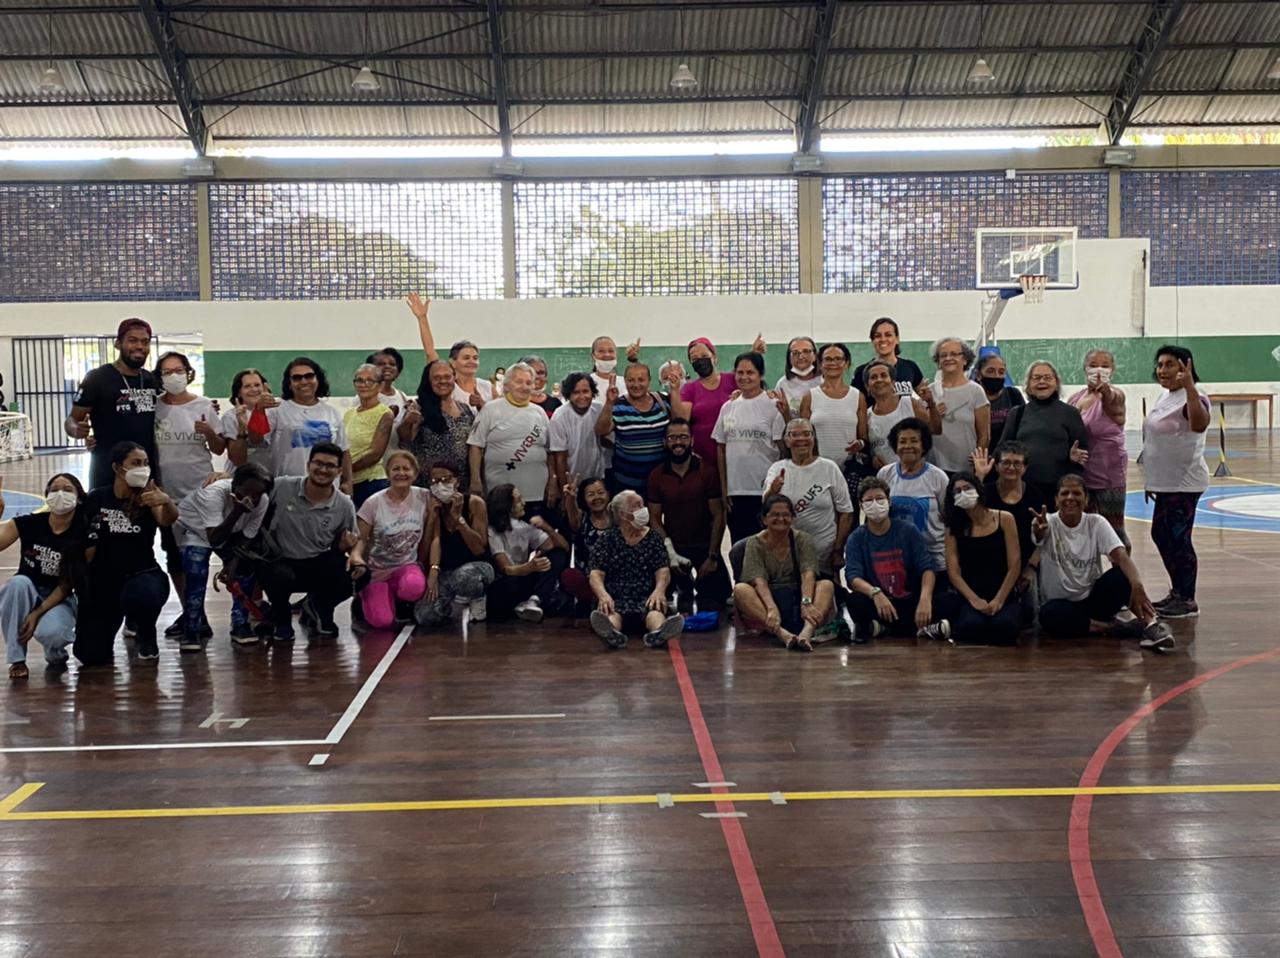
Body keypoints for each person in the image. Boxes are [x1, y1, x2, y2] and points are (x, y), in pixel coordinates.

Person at [1034, 475, 1174, 651]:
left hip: (1094, 601)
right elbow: (1038, 536)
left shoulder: (1096, 522)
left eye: (1076, 493)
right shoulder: (1047, 523)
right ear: (1056, 500)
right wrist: (1038, 532)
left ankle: (1151, 625)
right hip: (1062, 604)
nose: (1070, 498)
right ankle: (1116, 628)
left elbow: (1122, 556)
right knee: (1048, 616)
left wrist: (1137, 586)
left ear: (1086, 500)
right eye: (1065, 493)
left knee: (1124, 575)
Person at [74, 441, 176, 665]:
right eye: (136, 463)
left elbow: (167, 518)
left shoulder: (150, 496)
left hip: (142, 575)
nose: (143, 468)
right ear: (118, 468)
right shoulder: (97, 498)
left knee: (140, 596)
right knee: (89, 654)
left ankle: (145, 632)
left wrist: (167, 502)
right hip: (104, 583)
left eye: (146, 463)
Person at [153, 350, 226, 639]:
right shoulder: (155, 408)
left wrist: (209, 431)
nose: (174, 376)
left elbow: (220, 448)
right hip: (166, 496)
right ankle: (191, 613)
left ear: (188, 372)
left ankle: (244, 612)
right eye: (167, 371)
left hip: (200, 493)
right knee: (175, 556)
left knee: (202, 553)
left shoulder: (205, 405)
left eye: (178, 370)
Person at [256, 442, 359, 644]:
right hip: (282, 561)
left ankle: (319, 606)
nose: (323, 469)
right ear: (308, 465)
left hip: (317, 562)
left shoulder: (344, 503)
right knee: (272, 572)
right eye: (318, 463)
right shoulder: (282, 486)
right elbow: (253, 484)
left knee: (358, 574)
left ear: (339, 471)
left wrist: (354, 554)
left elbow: (355, 539)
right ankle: (282, 620)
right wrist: (225, 479)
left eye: (330, 466)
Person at [1141, 344, 1211, 619]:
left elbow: (1199, 424)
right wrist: (1152, 481)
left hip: (1184, 482)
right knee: (1160, 534)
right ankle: (1177, 591)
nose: (1162, 370)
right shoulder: (1165, 398)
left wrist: (1191, 387)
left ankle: (1188, 599)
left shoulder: (1194, 396)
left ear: (1186, 366)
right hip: (1165, 483)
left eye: (1170, 364)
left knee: (1179, 540)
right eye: (1160, 365)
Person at [174, 462, 273, 650]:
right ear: (234, 486)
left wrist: (233, 563)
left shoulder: (263, 501)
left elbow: (247, 538)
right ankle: (192, 628)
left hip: (232, 533)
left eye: (257, 494)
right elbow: (214, 538)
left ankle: (240, 623)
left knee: (246, 565)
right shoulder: (213, 494)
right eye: (247, 492)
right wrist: (237, 511)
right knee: (195, 569)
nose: (251, 499)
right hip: (197, 530)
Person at [1, 473, 86, 679]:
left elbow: (68, 584)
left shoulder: (83, 531)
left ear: (79, 497)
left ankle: (55, 654)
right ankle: (17, 659)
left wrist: (37, 613)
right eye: (54, 489)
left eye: (67, 490)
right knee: (17, 583)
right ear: (46, 495)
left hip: (59, 595)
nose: (60, 494)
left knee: (52, 633)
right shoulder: (29, 523)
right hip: (28, 589)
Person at [731, 495, 837, 651]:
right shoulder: (754, 543)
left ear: (793, 518)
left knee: (826, 585)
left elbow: (808, 573)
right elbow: (759, 580)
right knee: (740, 590)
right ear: (764, 519)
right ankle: (782, 634)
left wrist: (806, 602)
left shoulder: (803, 539)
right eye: (774, 515)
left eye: (786, 515)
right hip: (768, 600)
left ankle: (807, 632)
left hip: (798, 597)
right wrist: (771, 608)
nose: (781, 519)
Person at [65, 318, 159, 490]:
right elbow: (71, 420)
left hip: (145, 469)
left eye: (145, 342)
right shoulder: (97, 378)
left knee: (146, 516)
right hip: (108, 471)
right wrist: (76, 430)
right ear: (117, 344)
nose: (139, 346)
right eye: (132, 340)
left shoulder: (151, 380)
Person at [843, 477, 940, 642]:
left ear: (889, 501)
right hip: (879, 602)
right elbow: (853, 577)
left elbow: (927, 567)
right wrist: (875, 593)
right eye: (869, 500)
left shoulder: (908, 530)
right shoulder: (856, 538)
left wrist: (925, 600)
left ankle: (883, 629)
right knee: (854, 601)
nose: (875, 503)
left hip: (910, 600)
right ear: (861, 506)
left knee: (950, 601)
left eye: (880, 498)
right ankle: (919, 629)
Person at [647, 418, 730, 610]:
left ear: (692, 440)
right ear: (665, 442)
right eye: (672, 438)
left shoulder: (707, 472)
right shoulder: (656, 475)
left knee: (719, 600)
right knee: (660, 601)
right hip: (674, 550)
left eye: (683, 437)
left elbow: (718, 516)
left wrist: (713, 556)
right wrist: (669, 553)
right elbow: (654, 519)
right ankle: (683, 586)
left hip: (704, 548)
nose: (678, 443)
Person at [587, 490, 686, 650]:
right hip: (616, 598)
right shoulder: (607, 539)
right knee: (611, 615)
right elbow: (595, 574)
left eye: (642, 504)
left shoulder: (653, 538)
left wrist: (659, 591)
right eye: (636, 506)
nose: (643, 509)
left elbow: (663, 570)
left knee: (655, 612)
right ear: (623, 514)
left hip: (646, 597)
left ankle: (659, 633)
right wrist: (603, 596)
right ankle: (611, 634)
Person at [347, 451, 430, 630]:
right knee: (382, 621)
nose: (401, 473)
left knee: (413, 586)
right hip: (377, 571)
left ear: (415, 474)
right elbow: (361, 538)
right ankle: (363, 598)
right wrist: (356, 556)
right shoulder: (373, 503)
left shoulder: (425, 497)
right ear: (387, 473)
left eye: (406, 469)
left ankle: (400, 602)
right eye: (396, 469)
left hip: (406, 566)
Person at [936, 473, 1021, 645]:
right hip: (971, 595)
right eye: (957, 491)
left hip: (1003, 593)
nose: (963, 493)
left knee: (1006, 629)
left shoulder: (1004, 519)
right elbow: (954, 573)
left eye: (967, 488)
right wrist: (974, 600)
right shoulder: (953, 527)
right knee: (970, 629)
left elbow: (1015, 564)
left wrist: (999, 599)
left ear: (978, 490)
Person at [762, 418, 854, 577]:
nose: (801, 439)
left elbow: (846, 512)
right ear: (787, 440)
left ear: (813, 438)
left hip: (824, 556)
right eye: (794, 435)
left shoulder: (829, 467)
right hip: (787, 554)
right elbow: (766, 505)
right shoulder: (777, 468)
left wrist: (838, 550)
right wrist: (773, 491)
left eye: (806, 434)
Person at [712, 351, 787, 545]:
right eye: (740, 372)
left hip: (764, 490)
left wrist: (778, 486)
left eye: (750, 372)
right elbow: (721, 448)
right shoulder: (728, 407)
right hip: (736, 491)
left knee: (767, 546)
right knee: (740, 547)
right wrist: (724, 489)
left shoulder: (772, 406)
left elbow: (782, 450)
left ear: (760, 375)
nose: (744, 377)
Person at [468, 362, 555, 514]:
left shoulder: (539, 413)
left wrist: (553, 482)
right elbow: (475, 446)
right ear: (507, 384)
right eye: (519, 381)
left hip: (536, 493)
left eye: (528, 382)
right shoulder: (490, 409)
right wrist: (475, 480)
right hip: (500, 494)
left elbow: (550, 453)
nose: (524, 386)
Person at [414, 460, 494, 625]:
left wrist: (459, 520)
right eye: (435, 481)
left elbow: (479, 549)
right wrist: (431, 519)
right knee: (424, 616)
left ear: (457, 481)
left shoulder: (474, 503)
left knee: (464, 578)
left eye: (446, 479)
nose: (440, 485)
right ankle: (450, 607)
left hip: (478, 566)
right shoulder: (432, 506)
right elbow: (424, 553)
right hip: (446, 571)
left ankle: (478, 597)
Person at [998, 360, 1088, 504]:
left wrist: (1073, 461)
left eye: (1047, 377)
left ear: (1056, 383)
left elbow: (1082, 451)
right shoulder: (1017, 413)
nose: (1042, 382)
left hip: (1058, 491)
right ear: (1028, 384)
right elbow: (1002, 449)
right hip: (1022, 489)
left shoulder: (1070, 413)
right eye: (1036, 378)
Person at [972, 441, 1045, 610]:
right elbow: (969, 516)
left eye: (1017, 463)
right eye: (1005, 462)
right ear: (996, 466)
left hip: (1025, 568)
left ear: (1025, 468)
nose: (1011, 467)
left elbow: (1045, 539)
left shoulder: (1035, 495)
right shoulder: (986, 493)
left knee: (1029, 616)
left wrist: (1031, 569)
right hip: (990, 567)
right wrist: (979, 477)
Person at [1068, 349, 1129, 548]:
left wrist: (1105, 390)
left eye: (1104, 365)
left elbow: (1112, 400)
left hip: (1109, 477)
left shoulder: (1115, 396)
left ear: (1113, 370)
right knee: (1084, 531)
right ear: (1085, 369)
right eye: (1093, 365)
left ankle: (1122, 575)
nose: (1098, 370)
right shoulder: (1076, 399)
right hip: (1083, 475)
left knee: (1115, 531)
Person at [670, 335, 765, 463]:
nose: (700, 361)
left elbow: (752, 388)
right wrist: (675, 390)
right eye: (695, 359)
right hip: (703, 455)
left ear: (714, 357)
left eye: (704, 356)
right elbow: (681, 420)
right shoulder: (690, 388)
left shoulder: (732, 379)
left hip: (736, 450)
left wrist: (754, 355)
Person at [267, 357, 353, 494]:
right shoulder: (276, 409)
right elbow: (257, 440)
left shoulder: (332, 413)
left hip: (327, 490)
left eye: (309, 376)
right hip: (287, 489)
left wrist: (348, 483)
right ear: (289, 383)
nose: (303, 381)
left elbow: (344, 452)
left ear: (318, 379)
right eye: (297, 378)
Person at [485, 483, 569, 622]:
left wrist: (547, 528)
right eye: (518, 500)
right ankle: (521, 606)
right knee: (509, 581)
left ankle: (534, 600)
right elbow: (505, 569)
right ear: (506, 505)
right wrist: (529, 567)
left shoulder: (523, 526)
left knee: (557, 554)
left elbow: (563, 547)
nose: (523, 503)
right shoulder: (491, 530)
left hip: (522, 578)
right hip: (503, 583)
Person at [876, 418, 950, 571]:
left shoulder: (938, 477)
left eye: (914, 441)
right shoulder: (885, 474)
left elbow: (949, 519)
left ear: (924, 445)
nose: (908, 446)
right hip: (895, 559)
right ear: (895, 446)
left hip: (934, 559)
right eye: (902, 441)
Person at [798, 342, 868, 486]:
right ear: (820, 364)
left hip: (849, 472)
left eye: (838, 359)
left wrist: (859, 444)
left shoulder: (858, 396)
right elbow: (803, 437)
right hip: (816, 471)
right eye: (828, 359)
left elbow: (864, 438)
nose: (833, 363)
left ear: (846, 363)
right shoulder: (809, 397)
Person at [406, 292, 492, 408]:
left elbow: (498, 415)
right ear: (453, 362)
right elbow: (430, 352)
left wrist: (482, 405)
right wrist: (422, 318)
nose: (472, 361)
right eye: (466, 358)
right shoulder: (446, 386)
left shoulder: (487, 386)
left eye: (475, 358)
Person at [597, 362, 670, 494]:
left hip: (661, 482)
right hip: (626, 485)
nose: (636, 385)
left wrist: (675, 391)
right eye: (631, 380)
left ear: (649, 380)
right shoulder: (617, 405)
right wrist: (609, 402)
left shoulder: (663, 401)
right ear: (624, 381)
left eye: (641, 380)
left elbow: (681, 423)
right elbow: (601, 431)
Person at [403, 358, 475, 491]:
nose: (442, 381)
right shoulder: (418, 407)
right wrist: (408, 422)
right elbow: (405, 440)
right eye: (436, 378)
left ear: (455, 378)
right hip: (429, 486)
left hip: (461, 484)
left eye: (447, 376)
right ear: (428, 381)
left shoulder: (465, 409)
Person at [863, 358, 939, 469]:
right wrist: (872, 459)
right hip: (884, 477)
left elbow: (935, 430)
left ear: (893, 382)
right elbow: (868, 449)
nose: (879, 380)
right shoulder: (867, 416)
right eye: (873, 377)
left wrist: (931, 405)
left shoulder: (910, 404)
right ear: (867, 387)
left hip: (915, 473)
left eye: (884, 375)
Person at [927, 337, 990, 473]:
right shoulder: (929, 392)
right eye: (943, 355)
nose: (949, 358)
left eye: (954, 354)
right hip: (935, 468)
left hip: (966, 469)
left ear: (965, 359)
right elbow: (924, 430)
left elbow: (984, 435)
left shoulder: (976, 391)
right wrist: (933, 414)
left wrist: (977, 464)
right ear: (938, 362)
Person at [560, 475, 613, 613]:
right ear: (584, 499)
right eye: (591, 494)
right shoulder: (582, 519)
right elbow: (573, 515)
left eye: (601, 493)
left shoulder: (617, 517)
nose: (597, 498)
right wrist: (570, 498)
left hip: (615, 578)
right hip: (588, 579)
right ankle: (598, 602)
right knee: (569, 576)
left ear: (608, 494)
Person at [344, 363, 394, 507]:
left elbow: (375, 454)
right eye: (359, 380)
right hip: (349, 483)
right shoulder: (349, 413)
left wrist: (345, 471)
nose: (363, 385)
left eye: (369, 381)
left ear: (380, 385)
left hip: (371, 484)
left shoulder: (385, 413)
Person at [548, 372, 605, 493]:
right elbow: (560, 459)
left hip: (597, 479)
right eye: (576, 392)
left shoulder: (599, 409)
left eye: (585, 391)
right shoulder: (559, 417)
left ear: (592, 392)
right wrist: (565, 491)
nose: (582, 396)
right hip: (572, 483)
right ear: (568, 394)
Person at [852, 317, 924, 400]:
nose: (883, 339)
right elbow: (855, 405)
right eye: (877, 336)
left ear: (897, 339)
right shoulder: (862, 371)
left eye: (888, 335)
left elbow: (925, 397)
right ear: (872, 341)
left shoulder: (910, 367)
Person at [223, 368, 275, 470]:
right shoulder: (230, 416)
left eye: (257, 385)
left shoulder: (275, 412)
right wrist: (242, 429)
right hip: (240, 476)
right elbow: (236, 458)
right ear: (238, 392)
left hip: (269, 474)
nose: (254, 390)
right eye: (247, 386)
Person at [976, 351, 1024, 450]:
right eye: (990, 371)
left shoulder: (1013, 395)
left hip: (1006, 459)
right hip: (974, 456)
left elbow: (1022, 428)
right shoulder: (971, 397)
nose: (996, 376)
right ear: (978, 374)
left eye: (1001, 372)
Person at [774, 336, 821, 415]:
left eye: (806, 351)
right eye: (795, 353)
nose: (800, 356)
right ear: (789, 358)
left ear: (815, 356)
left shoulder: (824, 382)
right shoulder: (782, 384)